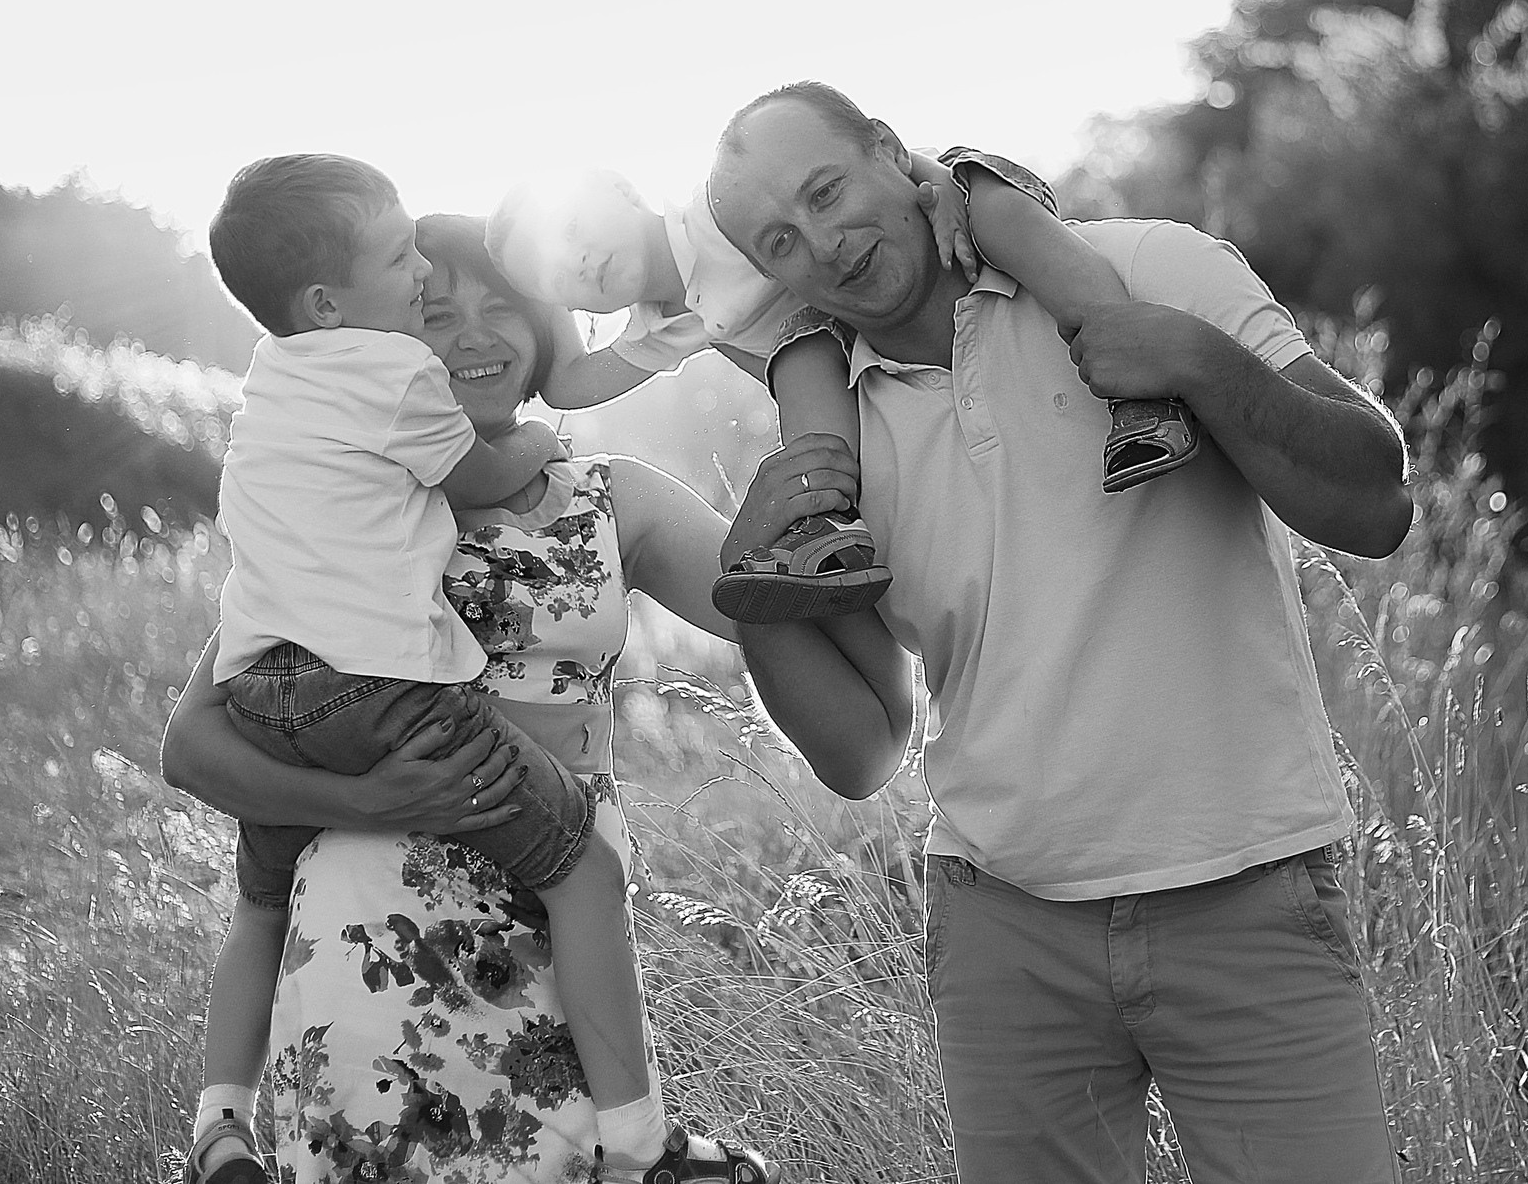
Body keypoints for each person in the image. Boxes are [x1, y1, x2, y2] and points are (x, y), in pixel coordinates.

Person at [703, 82, 1417, 1183]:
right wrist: (748, 578)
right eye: (779, 240)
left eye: (829, 189)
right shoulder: (828, 446)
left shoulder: (1146, 266)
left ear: (896, 155)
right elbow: (861, 750)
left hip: (1246, 892)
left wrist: (1194, 363)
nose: (826, 243)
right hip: (1004, 931)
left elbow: (1374, 502)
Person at [179, 164, 774, 1184]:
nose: (471, 335)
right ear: (379, 332)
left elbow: (773, 614)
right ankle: (643, 1152)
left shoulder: (606, 497)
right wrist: (362, 796)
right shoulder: (356, 511)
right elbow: (191, 745)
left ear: (550, 325)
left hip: (556, 956)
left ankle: (219, 1127)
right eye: (433, 306)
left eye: (501, 308)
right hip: (375, 952)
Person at [487, 159, 1202, 623]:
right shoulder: (659, 329)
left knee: (992, 205)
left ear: (622, 186)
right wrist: (502, 294)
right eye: (558, 275)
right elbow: (572, 383)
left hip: (911, 250)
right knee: (798, 358)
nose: (578, 258)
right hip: (843, 343)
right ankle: (827, 527)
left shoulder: (719, 205)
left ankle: (1139, 382)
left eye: (575, 229)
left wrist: (940, 177)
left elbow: (857, 159)